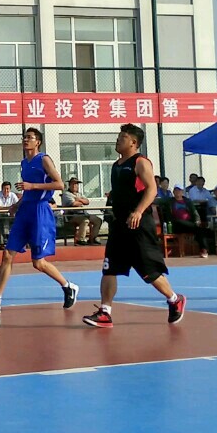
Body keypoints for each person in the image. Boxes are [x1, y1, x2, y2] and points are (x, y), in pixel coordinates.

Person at [82, 124, 186, 329]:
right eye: (118, 136)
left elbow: (152, 189)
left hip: (138, 224)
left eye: (122, 137)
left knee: (149, 271)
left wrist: (138, 211)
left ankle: (175, 299)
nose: (118, 139)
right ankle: (105, 312)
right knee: (109, 269)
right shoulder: (116, 165)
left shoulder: (140, 162)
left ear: (133, 142)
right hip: (119, 224)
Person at [0, 127, 78, 314]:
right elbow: (28, 191)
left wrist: (32, 185)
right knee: (7, 254)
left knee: (38, 263)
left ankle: (68, 286)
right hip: (25, 211)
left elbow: (59, 184)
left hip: (40, 211)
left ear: (38, 142)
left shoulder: (44, 159)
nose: (25, 139)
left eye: (30, 137)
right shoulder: (24, 163)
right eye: (24, 137)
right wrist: (17, 204)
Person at [60, 176, 101, 245]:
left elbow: (87, 202)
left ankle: (93, 238)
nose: (74, 185)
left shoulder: (80, 194)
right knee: (85, 220)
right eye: (73, 184)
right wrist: (81, 202)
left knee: (98, 220)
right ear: (69, 185)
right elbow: (74, 204)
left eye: (76, 184)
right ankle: (80, 239)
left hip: (83, 214)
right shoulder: (66, 194)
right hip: (71, 215)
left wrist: (79, 199)